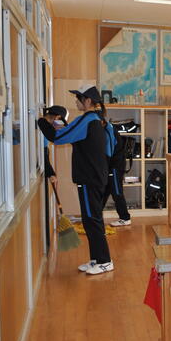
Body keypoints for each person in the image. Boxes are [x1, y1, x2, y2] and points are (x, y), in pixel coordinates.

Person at [38, 84, 113, 276]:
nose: (76, 101)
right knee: (90, 219)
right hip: (92, 177)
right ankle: (96, 259)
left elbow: (57, 137)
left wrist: (40, 120)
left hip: (90, 178)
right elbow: (68, 132)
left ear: (87, 100)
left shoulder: (88, 119)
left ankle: (105, 261)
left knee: (92, 220)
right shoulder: (94, 119)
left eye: (78, 98)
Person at [103, 120, 132, 227]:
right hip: (111, 166)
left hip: (115, 166)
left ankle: (125, 218)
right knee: (104, 191)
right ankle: (95, 216)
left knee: (117, 192)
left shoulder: (108, 130)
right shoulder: (107, 128)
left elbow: (108, 152)